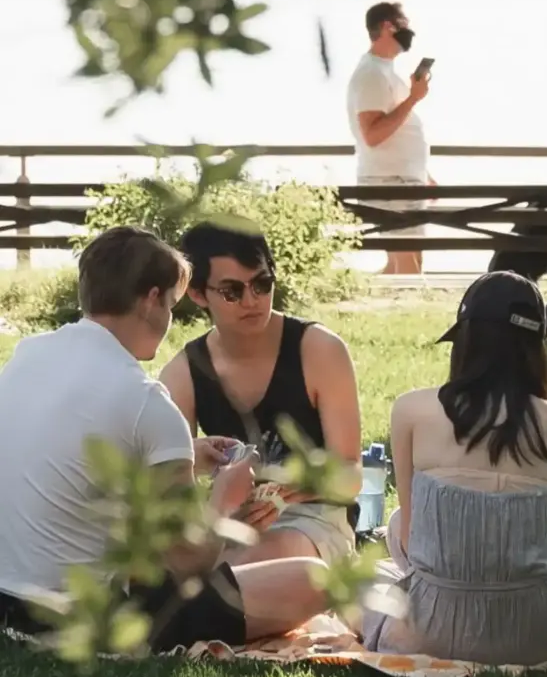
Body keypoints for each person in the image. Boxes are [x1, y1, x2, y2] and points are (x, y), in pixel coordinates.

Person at [0, 227, 327, 652]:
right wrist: (224, 503)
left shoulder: (30, 354)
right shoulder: (147, 402)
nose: (170, 319)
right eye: (172, 304)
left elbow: (66, 453)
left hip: (9, 602)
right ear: (152, 299)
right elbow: (186, 564)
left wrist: (183, 455)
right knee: (311, 579)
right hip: (88, 620)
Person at [362, 272, 547, 665]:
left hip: (433, 633)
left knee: (368, 570)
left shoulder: (411, 411)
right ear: (535, 349)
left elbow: (412, 541)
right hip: (535, 633)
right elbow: (541, 535)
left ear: (465, 341)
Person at [159, 222, 362, 567]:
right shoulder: (184, 372)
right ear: (197, 294)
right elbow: (167, 493)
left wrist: (307, 484)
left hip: (313, 519)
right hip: (229, 521)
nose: (251, 301)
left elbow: (352, 474)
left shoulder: (318, 350)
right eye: (231, 291)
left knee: (252, 565)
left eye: (262, 284)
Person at [346, 1, 433, 275]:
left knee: (401, 264)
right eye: (404, 25)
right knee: (409, 267)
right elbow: (372, 134)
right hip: (390, 184)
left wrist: (423, 173)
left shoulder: (382, 70)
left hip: (401, 180)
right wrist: (413, 99)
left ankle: (376, 304)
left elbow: (398, 129)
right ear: (387, 27)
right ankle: (410, 310)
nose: (410, 33)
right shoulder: (371, 74)